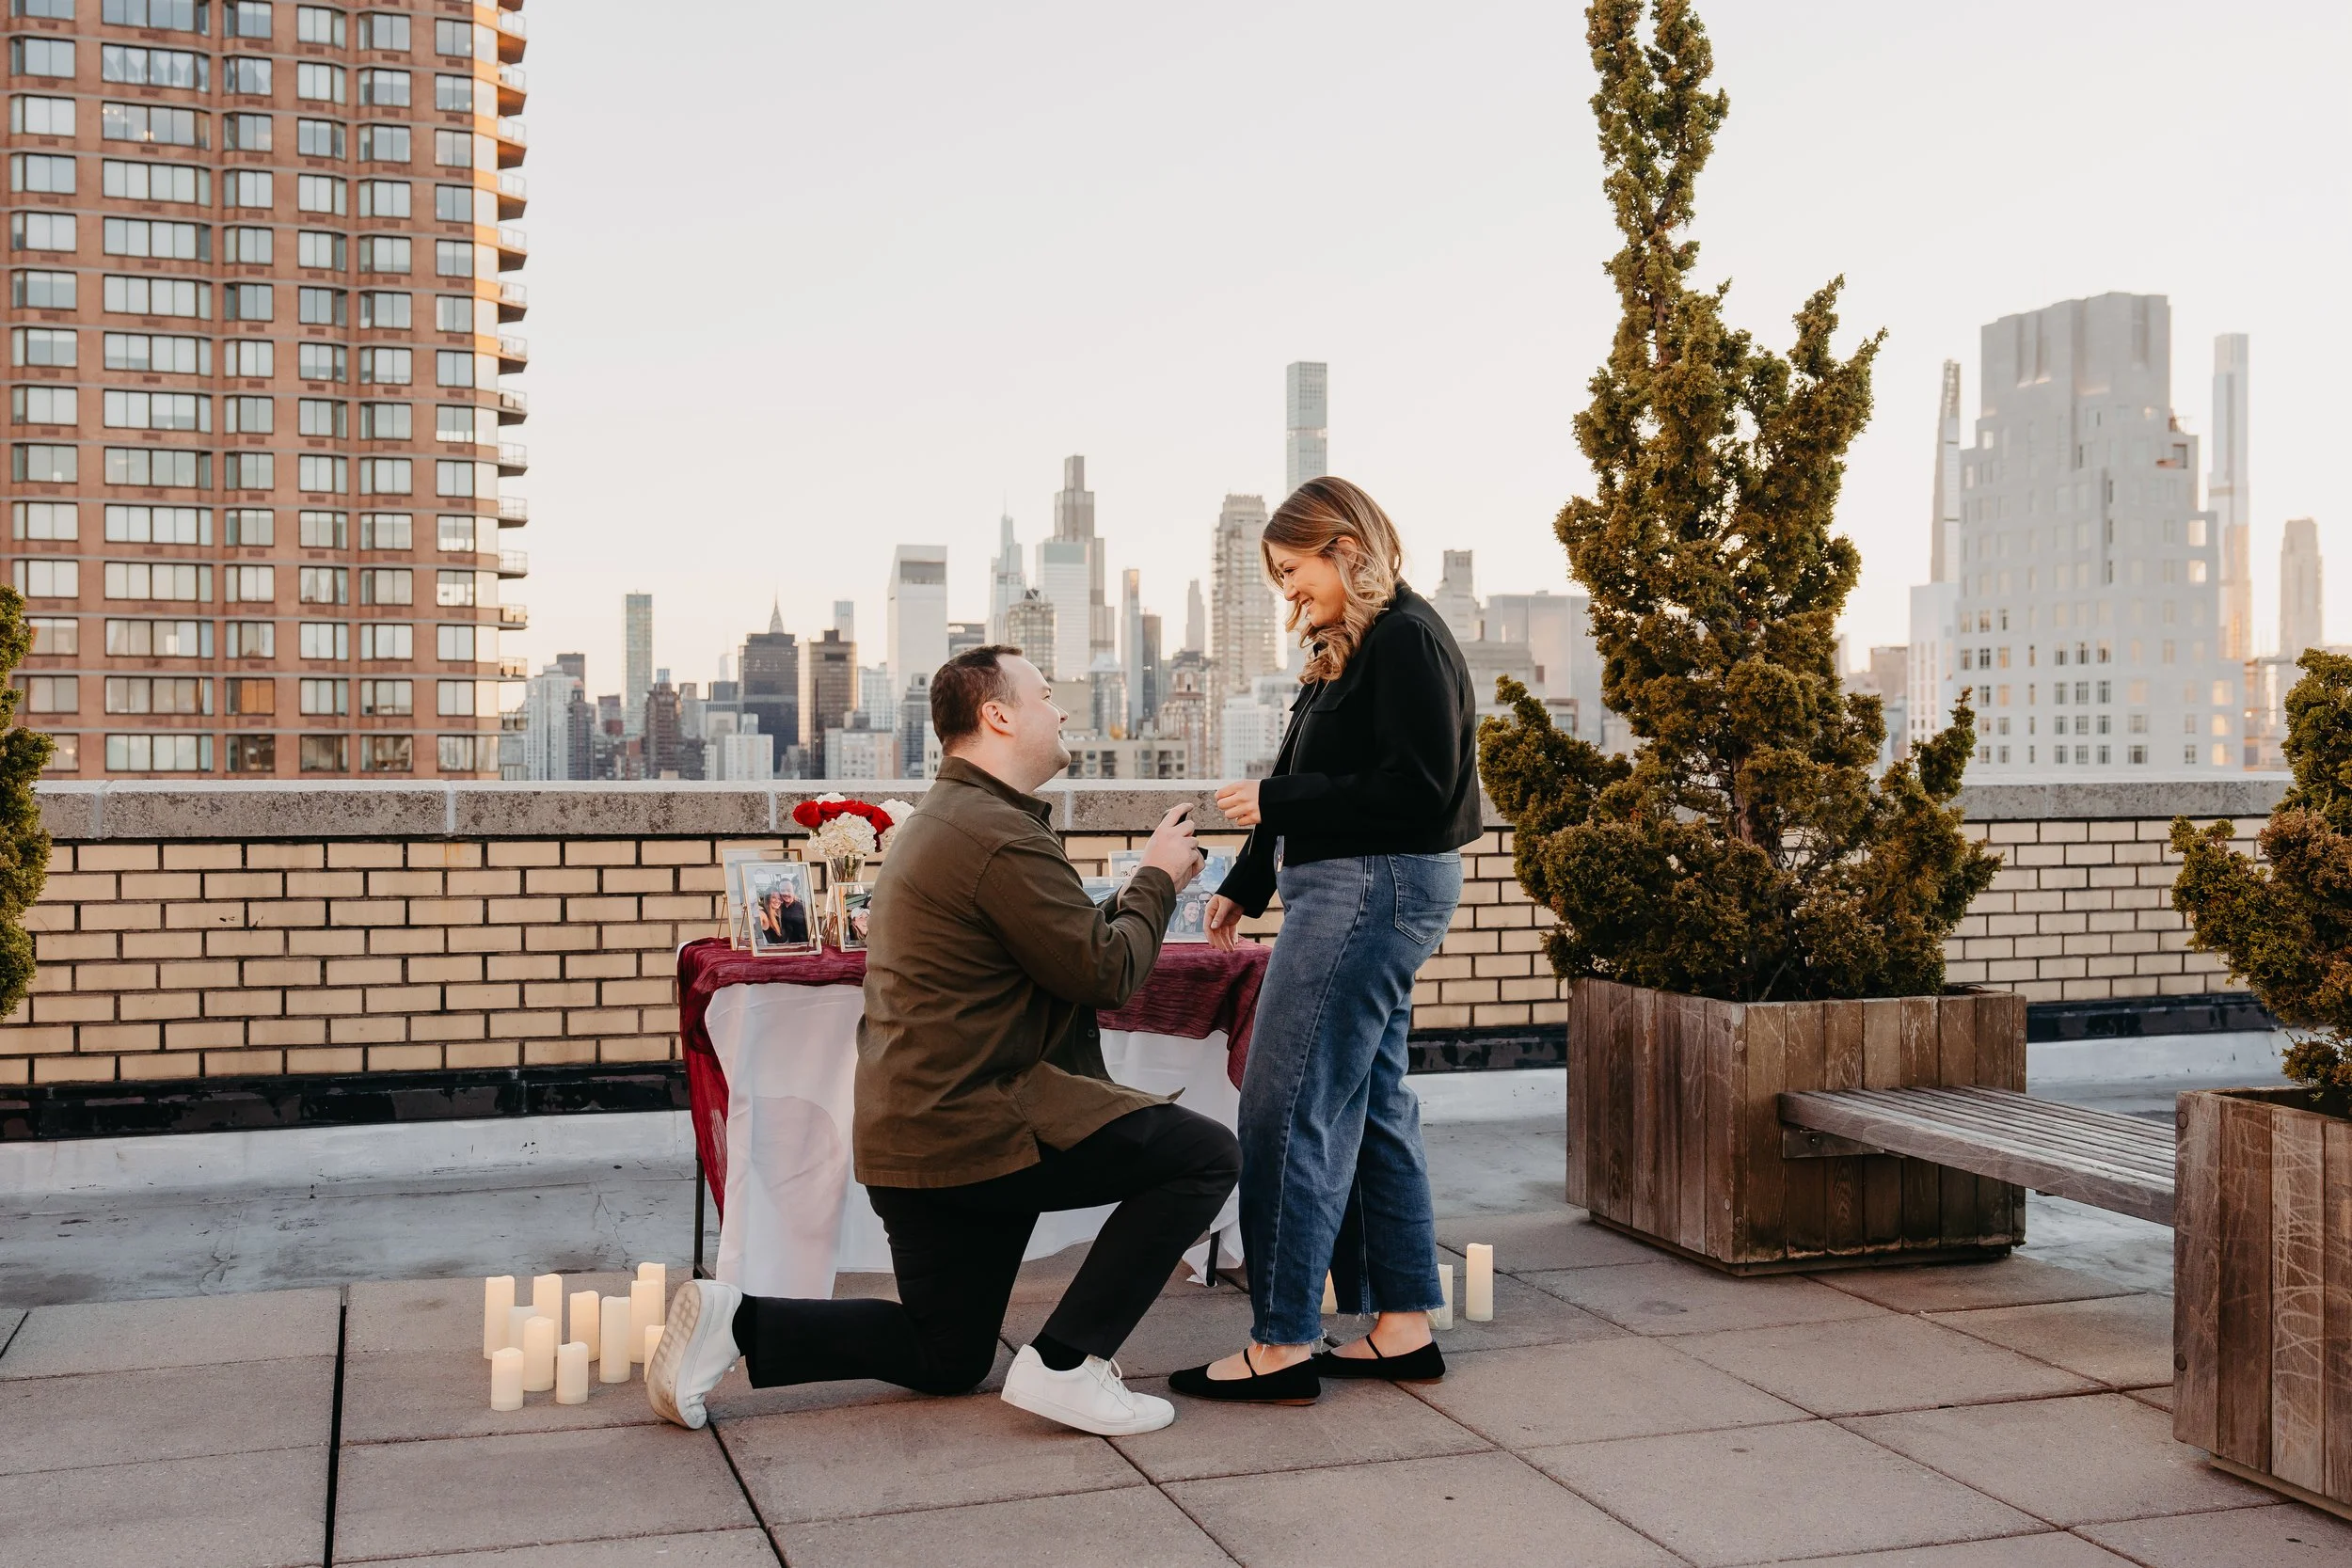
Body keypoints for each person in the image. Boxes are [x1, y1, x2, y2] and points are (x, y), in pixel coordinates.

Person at [651, 644, 1235, 1437]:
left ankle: (737, 1322)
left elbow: (1059, 953)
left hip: (916, 1142)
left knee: (948, 1354)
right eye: (1046, 693)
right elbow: (1106, 972)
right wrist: (1159, 876)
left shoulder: (949, 820)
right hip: (979, 1131)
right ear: (997, 714)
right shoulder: (995, 834)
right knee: (1206, 1153)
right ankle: (1069, 1362)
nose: (1061, 711)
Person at [1168, 476, 1480, 1404]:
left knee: (1284, 1103)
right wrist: (1247, 881)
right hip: (1346, 888)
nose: (1287, 591)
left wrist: (1279, 805)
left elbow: (1418, 789)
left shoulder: (1408, 639)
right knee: (1371, 1103)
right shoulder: (1349, 646)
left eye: (1293, 568)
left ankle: (1283, 1342)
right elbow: (1302, 773)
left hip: (1367, 890)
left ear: (1345, 546)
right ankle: (1401, 1325)